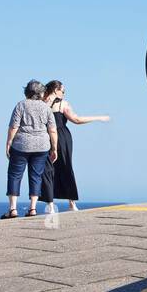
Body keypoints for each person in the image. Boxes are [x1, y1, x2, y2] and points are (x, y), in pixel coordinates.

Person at [37, 80, 110, 212]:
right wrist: (98, 118)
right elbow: (76, 120)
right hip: (62, 137)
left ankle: (50, 205)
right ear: (56, 90)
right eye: (63, 91)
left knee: (47, 170)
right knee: (66, 167)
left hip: (45, 137)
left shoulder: (41, 104)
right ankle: (71, 204)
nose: (64, 94)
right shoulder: (62, 104)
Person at [4, 80, 58, 219]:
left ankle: (13, 209)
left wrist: (9, 142)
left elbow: (14, 127)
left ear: (27, 92)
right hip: (41, 146)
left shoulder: (21, 105)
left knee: (15, 175)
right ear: (41, 93)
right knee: (36, 176)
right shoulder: (46, 108)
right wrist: (54, 148)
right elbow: (52, 130)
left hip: (21, 145)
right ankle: (32, 208)